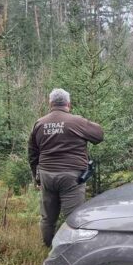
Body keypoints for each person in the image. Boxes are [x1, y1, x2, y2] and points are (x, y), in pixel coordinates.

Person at [28, 88, 104, 247]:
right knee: (74, 217)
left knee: (48, 218)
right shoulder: (77, 121)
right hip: (72, 177)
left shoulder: (40, 123)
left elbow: (33, 153)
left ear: (50, 103)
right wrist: (84, 122)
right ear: (68, 104)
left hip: (47, 175)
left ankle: (47, 248)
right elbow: (99, 135)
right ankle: (72, 252)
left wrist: (37, 176)